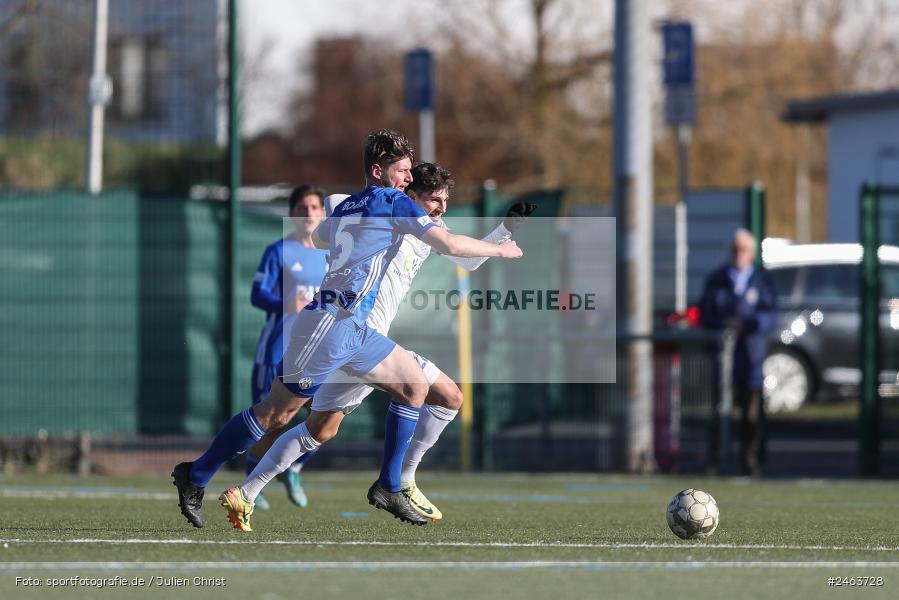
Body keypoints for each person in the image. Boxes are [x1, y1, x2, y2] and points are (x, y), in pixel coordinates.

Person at [172, 129, 522, 529]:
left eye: (410, 172)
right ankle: (196, 474)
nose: (408, 178)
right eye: (402, 170)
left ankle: (390, 485)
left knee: (413, 387)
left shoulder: (346, 207)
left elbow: (323, 237)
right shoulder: (392, 200)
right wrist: (501, 248)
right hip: (330, 324)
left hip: (354, 327)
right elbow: (450, 245)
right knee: (275, 415)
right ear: (378, 171)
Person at [246, 185, 328, 511]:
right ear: (292, 214)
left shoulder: (331, 254)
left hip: (318, 350)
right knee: (272, 417)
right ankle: (251, 479)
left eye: (314, 207)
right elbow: (257, 295)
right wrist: (286, 303)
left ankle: (292, 468)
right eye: (302, 207)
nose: (309, 213)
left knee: (324, 413)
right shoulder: (278, 250)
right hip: (277, 348)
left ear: (323, 213)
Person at [699, 229, 777, 475]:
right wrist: (725, 324)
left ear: (751, 253)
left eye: (743, 249)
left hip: (750, 358)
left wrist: (749, 324)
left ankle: (751, 463)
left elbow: (770, 314)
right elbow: (705, 314)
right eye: (735, 249)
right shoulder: (717, 279)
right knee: (719, 412)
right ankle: (716, 461)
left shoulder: (761, 282)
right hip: (723, 358)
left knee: (751, 414)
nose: (738, 254)